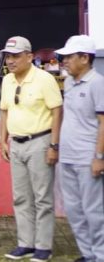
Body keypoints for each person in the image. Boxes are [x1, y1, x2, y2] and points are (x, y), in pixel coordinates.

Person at [0, 36, 62, 262]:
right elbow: (4, 111)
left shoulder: (44, 79)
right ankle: (25, 243)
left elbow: (57, 111)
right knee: (21, 197)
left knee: (42, 198)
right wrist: (2, 140)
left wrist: (54, 145)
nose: (11, 61)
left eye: (16, 56)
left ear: (29, 56)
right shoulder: (7, 80)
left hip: (40, 142)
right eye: (8, 56)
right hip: (16, 143)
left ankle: (43, 246)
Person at [54, 35, 104, 262]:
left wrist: (99, 157)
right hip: (67, 156)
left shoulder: (97, 83)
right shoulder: (71, 82)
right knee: (74, 210)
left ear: (85, 58)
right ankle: (88, 254)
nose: (64, 61)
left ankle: (100, 255)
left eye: (69, 57)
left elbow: (103, 123)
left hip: (87, 158)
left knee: (94, 212)